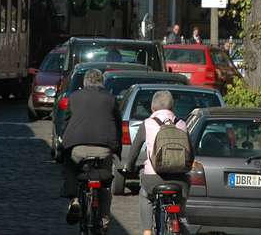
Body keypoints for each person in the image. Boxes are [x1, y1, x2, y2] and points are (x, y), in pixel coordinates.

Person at [61, 69, 122, 230]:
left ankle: (74, 199)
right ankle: (104, 217)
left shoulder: (74, 97)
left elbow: (66, 122)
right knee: (105, 184)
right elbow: (117, 124)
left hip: (77, 148)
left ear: (85, 82)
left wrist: (63, 143)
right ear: (102, 82)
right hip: (104, 149)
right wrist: (117, 149)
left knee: (70, 168)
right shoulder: (110, 98)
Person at [124, 91, 190, 235]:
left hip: (154, 178)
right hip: (179, 179)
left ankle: (147, 231)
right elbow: (191, 153)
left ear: (153, 108)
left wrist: (129, 167)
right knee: (180, 202)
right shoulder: (182, 124)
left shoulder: (147, 124)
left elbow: (134, 151)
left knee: (145, 195)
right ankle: (180, 220)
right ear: (172, 108)